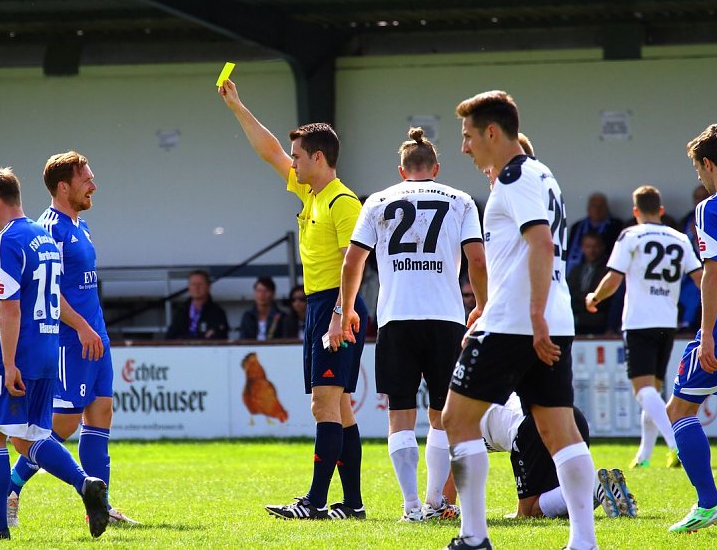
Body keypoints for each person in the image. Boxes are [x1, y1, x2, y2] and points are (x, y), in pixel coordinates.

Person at [442, 90, 597, 550]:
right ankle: (583, 542)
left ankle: (473, 537)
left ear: (492, 132)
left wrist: (529, 317)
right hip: (547, 318)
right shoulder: (540, 172)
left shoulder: (514, 178)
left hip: (519, 324)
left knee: (455, 419)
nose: (464, 147)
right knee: (557, 430)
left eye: (468, 136)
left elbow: (542, 244)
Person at [220, 78, 368, 521]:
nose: (294, 165)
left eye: (300, 157)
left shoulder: (343, 203)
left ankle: (316, 502)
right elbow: (269, 150)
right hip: (323, 307)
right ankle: (353, 505)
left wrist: (341, 312)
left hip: (335, 307)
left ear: (319, 158)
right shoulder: (312, 192)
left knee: (323, 403)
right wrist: (237, 106)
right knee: (337, 406)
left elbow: (354, 264)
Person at [0, 165, 109, 541]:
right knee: (29, 437)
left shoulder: (5, 240)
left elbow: (9, 307)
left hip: (13, 351)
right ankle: (86, 483)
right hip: (46, 350)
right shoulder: (43, 237)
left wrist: (6, 363)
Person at [336, 127, 487, 522]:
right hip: (446, 319)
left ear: (401, 171)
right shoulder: (462, 200)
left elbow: (353, 262)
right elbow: (478, 260)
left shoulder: (378, 201)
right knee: (441, 414)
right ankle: (436, 500)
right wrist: (483, 306)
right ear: (435, 168)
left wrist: (346, 309)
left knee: (399, 414)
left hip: (397, 319)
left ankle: (411, 508)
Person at [6, 151, 137, 527]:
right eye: (86, 180)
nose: (94, 185)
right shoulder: (49, 229)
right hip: (69, 340)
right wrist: (80, 326)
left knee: (101, 415)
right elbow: (47, 291)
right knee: (62, 425)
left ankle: (102, 507)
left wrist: (92, 327)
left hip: (95, 336)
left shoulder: (80, 225)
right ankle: (11, 489)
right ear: (63, 186)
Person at [585, 185, 702, 469]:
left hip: (639, 321)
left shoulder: (631, 235)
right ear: (661, 210)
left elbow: (613, 279)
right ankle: (645, 455)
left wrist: (594, 297)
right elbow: (700, 278)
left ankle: (676, 444)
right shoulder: (679, 238)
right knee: (653, 390)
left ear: (635, 211)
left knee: (642, 391)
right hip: (667, 322)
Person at [666, 125, 717, 536]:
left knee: (679, 411)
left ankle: (709, 503)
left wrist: (707, 333)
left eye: (698, 167)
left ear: (708, 164)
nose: (698, 174)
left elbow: (712, 275)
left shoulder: (710, 208)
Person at [479, 394, 636, 519]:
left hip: (533, 425)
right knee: (556, 504)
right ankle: (598, 489)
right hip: (571, 416)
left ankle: (591, 485)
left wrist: (452, 507)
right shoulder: (475, 394)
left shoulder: (457, 413)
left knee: (529, 512)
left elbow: (455, 474)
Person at [565, 193, 623, 276]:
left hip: (604, 269)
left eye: (601, 206)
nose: (597, 209)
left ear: (607, 208)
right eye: (594, 206)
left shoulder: (616, 225)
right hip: (578, 269)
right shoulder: (577, 226)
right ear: (588, 209)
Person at [566, 232, 613, 335]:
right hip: (576, 320)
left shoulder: (608, 271)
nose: (592, 251)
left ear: (602, 247)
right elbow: (569, 291)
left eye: (595, 247)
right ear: (582, 248)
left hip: (599, 322)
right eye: (588, 247)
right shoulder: (576, 270)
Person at [678, 184, 710, 331]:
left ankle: (687, 325)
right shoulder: (685, 222)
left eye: (704, 196)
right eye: (698, 198)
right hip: (684, 273)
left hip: (711, 272)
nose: (701, 200)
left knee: (695, 288)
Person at [165, 270, 229, 340]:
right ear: (189, 287)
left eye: (200, 284)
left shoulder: (217, 312)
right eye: (193, 284)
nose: (196, 288)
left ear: (208, 287)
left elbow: (218, 337)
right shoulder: (181, 310)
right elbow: (170, 337)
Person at [240, 276, 292, 340]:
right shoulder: (248, 316)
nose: (262, 294)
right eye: (259, 291)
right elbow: (243, 338)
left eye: (266, 291)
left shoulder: (282, 317)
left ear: (273, 294)